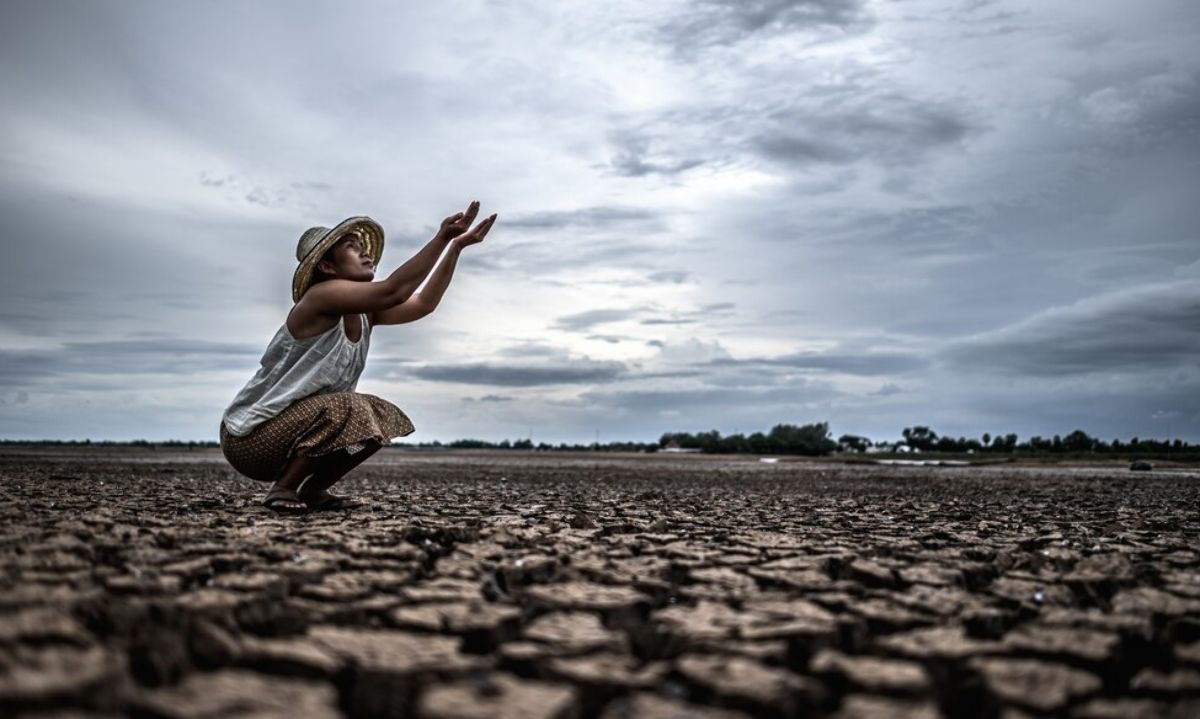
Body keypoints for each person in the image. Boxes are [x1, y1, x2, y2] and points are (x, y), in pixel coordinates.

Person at [219, 202, 497, 512]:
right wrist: (441, 238)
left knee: (377, 414)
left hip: (297, 434)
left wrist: (455, 248)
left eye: (364, 248)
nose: (366, 254)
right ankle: (283, 489)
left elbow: (422, 304)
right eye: (353, 248)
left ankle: (313, 490)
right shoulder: (320, 298)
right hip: (251, 438)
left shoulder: (366, 313)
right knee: (348, 405)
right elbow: (394, 291)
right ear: (327, 267)